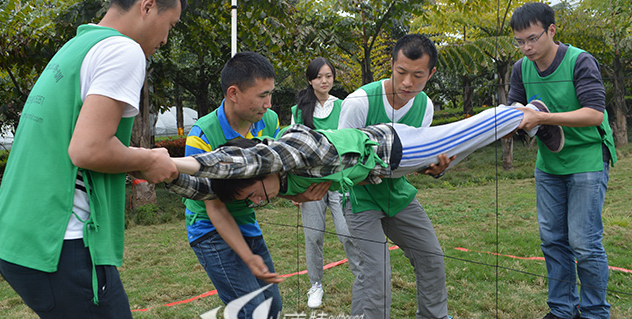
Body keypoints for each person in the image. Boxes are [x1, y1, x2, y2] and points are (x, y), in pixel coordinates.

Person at [0, 0, 186, 319]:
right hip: (62, 246)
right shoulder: (123, 51)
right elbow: (89, 149)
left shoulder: (77, 47)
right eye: (170, 25)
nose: (165, 40)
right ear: (147, 6)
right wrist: (146, 160)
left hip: (18, 240)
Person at [337, 34, 467, 319]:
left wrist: (432, 168)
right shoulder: (359, 103)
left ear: (431, 73)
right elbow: (339, 159)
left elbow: (412, 158)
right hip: (361, 195)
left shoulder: (425, 106)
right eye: (401, 72)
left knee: (431, 254)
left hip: (399, 193)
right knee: (375, 276)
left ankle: (434, 318)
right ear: (392, 65)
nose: (408, 82)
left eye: (418, 75)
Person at [165, 103, 548, 203]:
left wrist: (168, 160)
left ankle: (528, 113)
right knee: (467, 146)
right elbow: (213, 189)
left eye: (254, 194)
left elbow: (248, 162)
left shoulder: (297, 145)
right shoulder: (278, 182)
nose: (261, 200)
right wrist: (165, 176)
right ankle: (529, 118)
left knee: (471, 131)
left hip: (396, 147)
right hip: (390, 168)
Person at [508, 2, 617, 319]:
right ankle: (562, 309)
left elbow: (595, 114)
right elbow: (515, 108)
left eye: (532, 39)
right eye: (519, 41)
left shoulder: (579, 61)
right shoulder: (520, 68)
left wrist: (542, 118)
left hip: (586, 156)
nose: (526, 48)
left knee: (583, 241)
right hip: (549, 162)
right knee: (553, 238)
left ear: (552, 31)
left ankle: (597, 315)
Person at [183, 51, 285, 319]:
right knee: (249, 315)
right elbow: (215, 209)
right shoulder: (201, 137)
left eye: (271, 94)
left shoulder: (268, 121)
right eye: (262, 95)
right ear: (233, 93)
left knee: (271, 308)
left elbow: (278, 168)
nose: (269, 103)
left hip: (246, 223)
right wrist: (248, 258)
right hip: (211, 230)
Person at [291, 57, 360, 309]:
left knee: (347, 234)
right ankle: (315, 285)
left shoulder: (344, 106)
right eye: (319, 76)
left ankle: (362, 280)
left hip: (340, 181)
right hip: (311, 185)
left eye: (328, 76)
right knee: (313, 237)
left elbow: (352, 139)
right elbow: (294, 150)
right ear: (310, 80)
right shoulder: (298, 111)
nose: (324, 80)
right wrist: (297, 192)